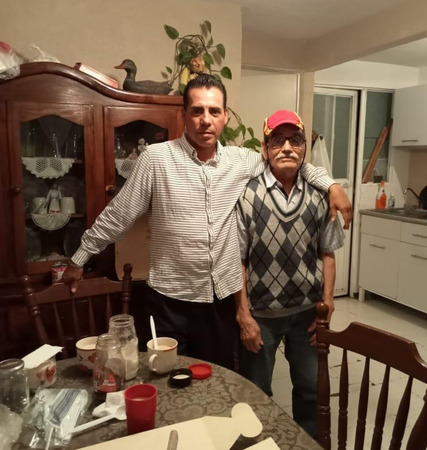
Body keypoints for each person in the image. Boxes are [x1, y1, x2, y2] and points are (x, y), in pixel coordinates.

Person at [62, 74, 351, 370]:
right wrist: (80, 257)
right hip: (169, 298)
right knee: (167, 376)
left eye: (214, 111)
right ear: (184, 115)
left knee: (216, 379)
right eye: (197, 111)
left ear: (225, 116)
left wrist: (331, 185)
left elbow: (288, 161)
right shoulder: (156, 159)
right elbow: (119, 214)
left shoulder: (243, 161)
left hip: (219, 301)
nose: (205, 120)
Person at [234, 110, 344, 436]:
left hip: (307, 314)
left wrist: (327, 305)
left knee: (311, 391)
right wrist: (243, 314)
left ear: (304, 147)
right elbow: (238, 260)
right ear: (265, 147)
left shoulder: (321, 195)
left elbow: (327, 252)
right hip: (261, 316)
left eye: (295, 140)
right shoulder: (246, 194)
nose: (286, 147)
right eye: (277, 140)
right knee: (256, 394)